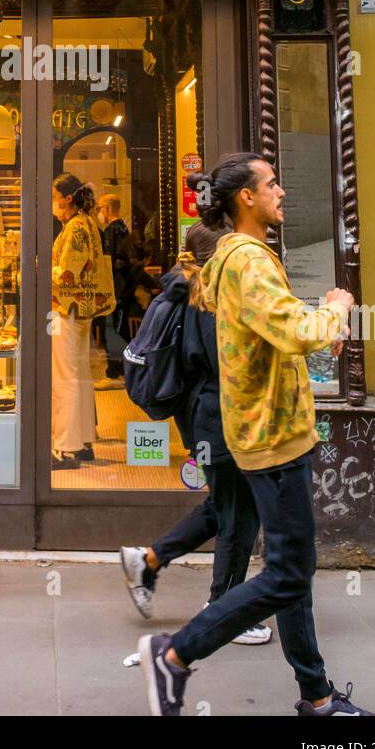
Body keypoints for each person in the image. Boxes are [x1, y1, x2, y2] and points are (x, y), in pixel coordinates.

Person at [139, 152, 375, 717]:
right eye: (272, 183)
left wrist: (317, 331)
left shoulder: (230, 257)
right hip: (272, 436)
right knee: (290, 570)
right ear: (246, 197)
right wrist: (336, 309)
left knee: (291, 568)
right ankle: (173, 654)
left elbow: (274, 330)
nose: (281, 192)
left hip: (262, 430)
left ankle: (316, 696)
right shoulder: (249, 260)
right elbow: (296, 327)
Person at [120, 218, 270, 646]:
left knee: (227, 505)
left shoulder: (185, 288)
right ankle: (222, 609)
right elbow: (223, 364)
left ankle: (147, 561)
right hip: (217, 418)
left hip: (201, 418)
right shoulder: (206, 298)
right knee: (236, 515)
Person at [51, 173, 115, 470]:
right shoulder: (89, 223)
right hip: (83, 310)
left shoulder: (75, 228)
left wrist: (39, 268)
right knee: (79, 375)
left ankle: (65, 447)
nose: (53, 202)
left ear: (66, 197)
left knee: (64, 377)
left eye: (54, 196)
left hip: (67, 308)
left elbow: (67, 274)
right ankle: (84, 440)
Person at [94, 193, 131, 390]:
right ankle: (124, 371)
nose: (99, 212)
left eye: (100, 208)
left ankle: (115, 373)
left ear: (108, 209)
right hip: (123, 289)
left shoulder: (111, 231)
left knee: (112, 330)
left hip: (114, 289)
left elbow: (108, 262)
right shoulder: (124, 229)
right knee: (120, 329)